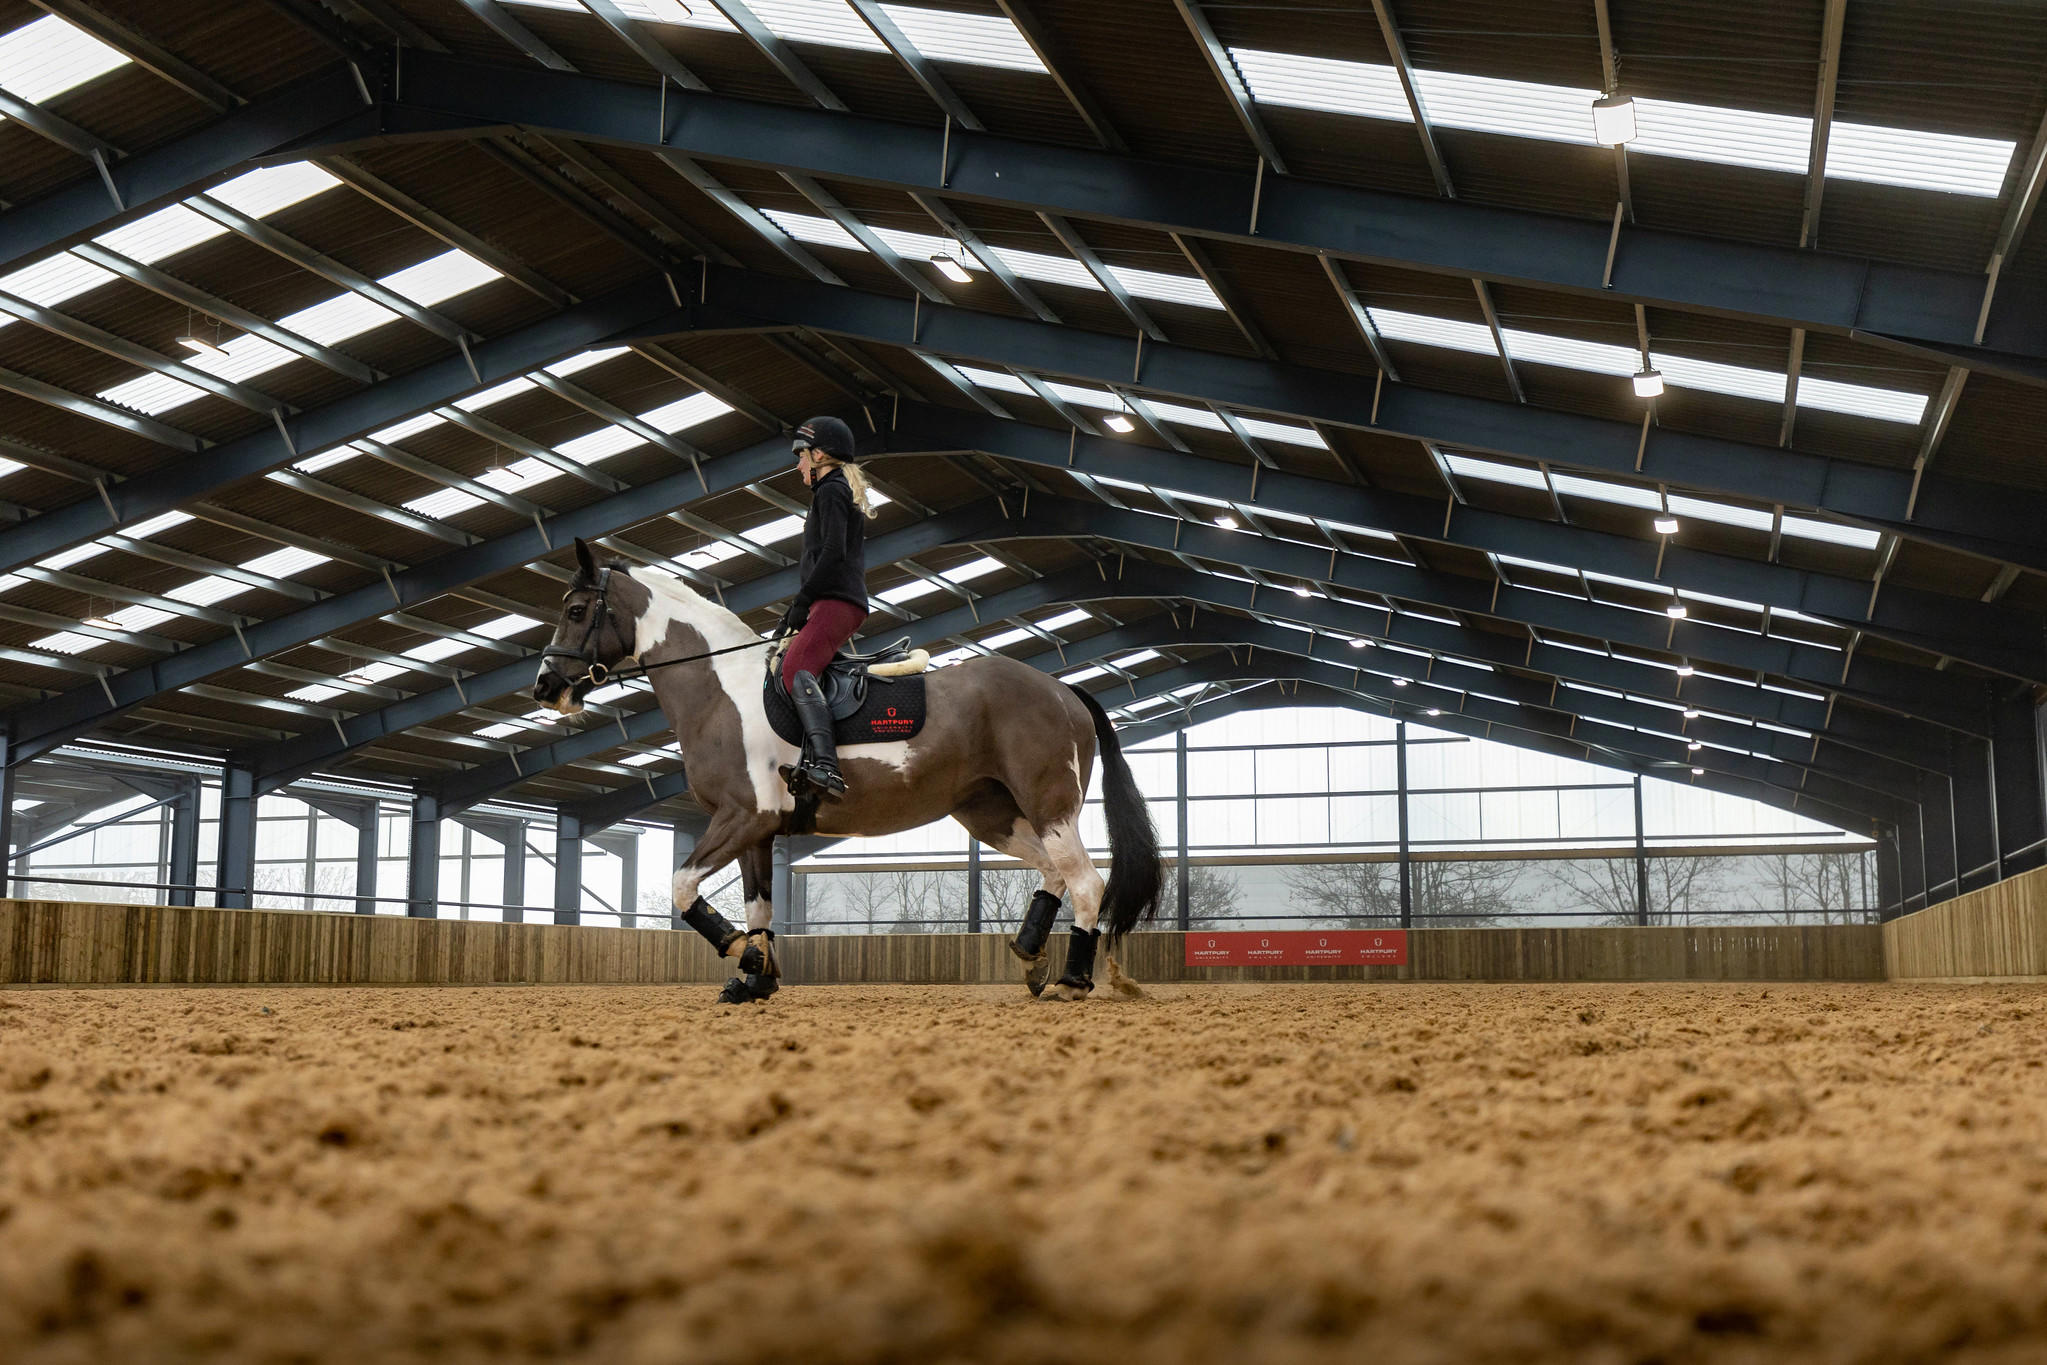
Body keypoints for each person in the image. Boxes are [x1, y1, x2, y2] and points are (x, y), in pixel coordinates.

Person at [777, 415, 877, 800]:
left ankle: (827, 767)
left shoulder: (831, 491)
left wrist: (802, 601)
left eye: (802, 456)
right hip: (830, 600)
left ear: (819, 455)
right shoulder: (833, 490)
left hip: (836, 601)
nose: (798, 464)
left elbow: (834, 552)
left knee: (794, 669)